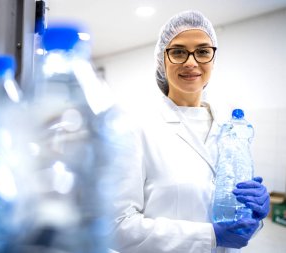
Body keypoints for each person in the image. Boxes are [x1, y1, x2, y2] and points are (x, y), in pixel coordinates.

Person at [109, 10, 270, 253]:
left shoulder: (228, 129)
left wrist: (253, 214)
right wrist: (210, 237)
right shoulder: (135, 127)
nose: (191, 62)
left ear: (213, 60)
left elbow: (232, 219)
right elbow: (116, 227)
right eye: (178, 52)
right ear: (163, 60)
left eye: (203, 51)